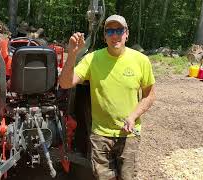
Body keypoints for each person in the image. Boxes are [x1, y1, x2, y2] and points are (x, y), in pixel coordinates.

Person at [59, 14, 156, 180]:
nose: (115, 35)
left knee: (127, 177)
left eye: (119, 30)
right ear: (104, 36)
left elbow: (150, 95)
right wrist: (73, 54)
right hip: (100, 135)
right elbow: (65, 83)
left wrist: (133, 116)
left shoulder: (141, 60)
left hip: (129, 134)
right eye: (110, 31)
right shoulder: (92, 59)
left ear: (127, 33)